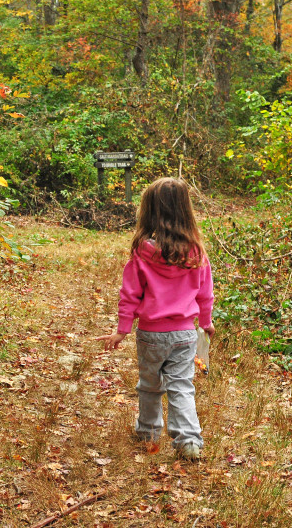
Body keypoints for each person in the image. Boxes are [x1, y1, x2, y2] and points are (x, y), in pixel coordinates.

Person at [97, 177, 215, 460]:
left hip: (151, 334)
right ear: (185, 210)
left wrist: (122, 330)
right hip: (185, 334)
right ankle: (188, 441)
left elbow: (130, 294)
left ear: (149, 210)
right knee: (181, 386)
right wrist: (206, 323)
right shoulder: (196, 252)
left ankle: (148, 432)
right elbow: (205, 293)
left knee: (149, 386)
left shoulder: (142, 252)